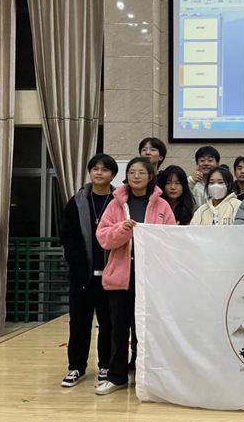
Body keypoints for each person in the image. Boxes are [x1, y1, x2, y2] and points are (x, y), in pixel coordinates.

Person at [96, 157, 176, 395]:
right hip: (121, 277)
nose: (137, 176)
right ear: (126, 176)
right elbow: (103, 238)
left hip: (150, 278)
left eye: (142, 172)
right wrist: (123, 230)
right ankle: (117, 377)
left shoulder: (162, 205)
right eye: (132, 172)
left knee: (146, 329)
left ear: (150, 177)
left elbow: (171, 240)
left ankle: (146, 376)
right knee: (118, 330)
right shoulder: (115, 204)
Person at [60, 154, 118, 388]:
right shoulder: (77, 201)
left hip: (111, 276)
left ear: (113, 175)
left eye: (104, 169)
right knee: (79, 323)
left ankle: (105, 365)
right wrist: (77, 263)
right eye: (95, 168)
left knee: (108, 324)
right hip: (82, 276)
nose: (99, 173)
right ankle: (76, 367)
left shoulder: (118, 201)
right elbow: (68, 236)